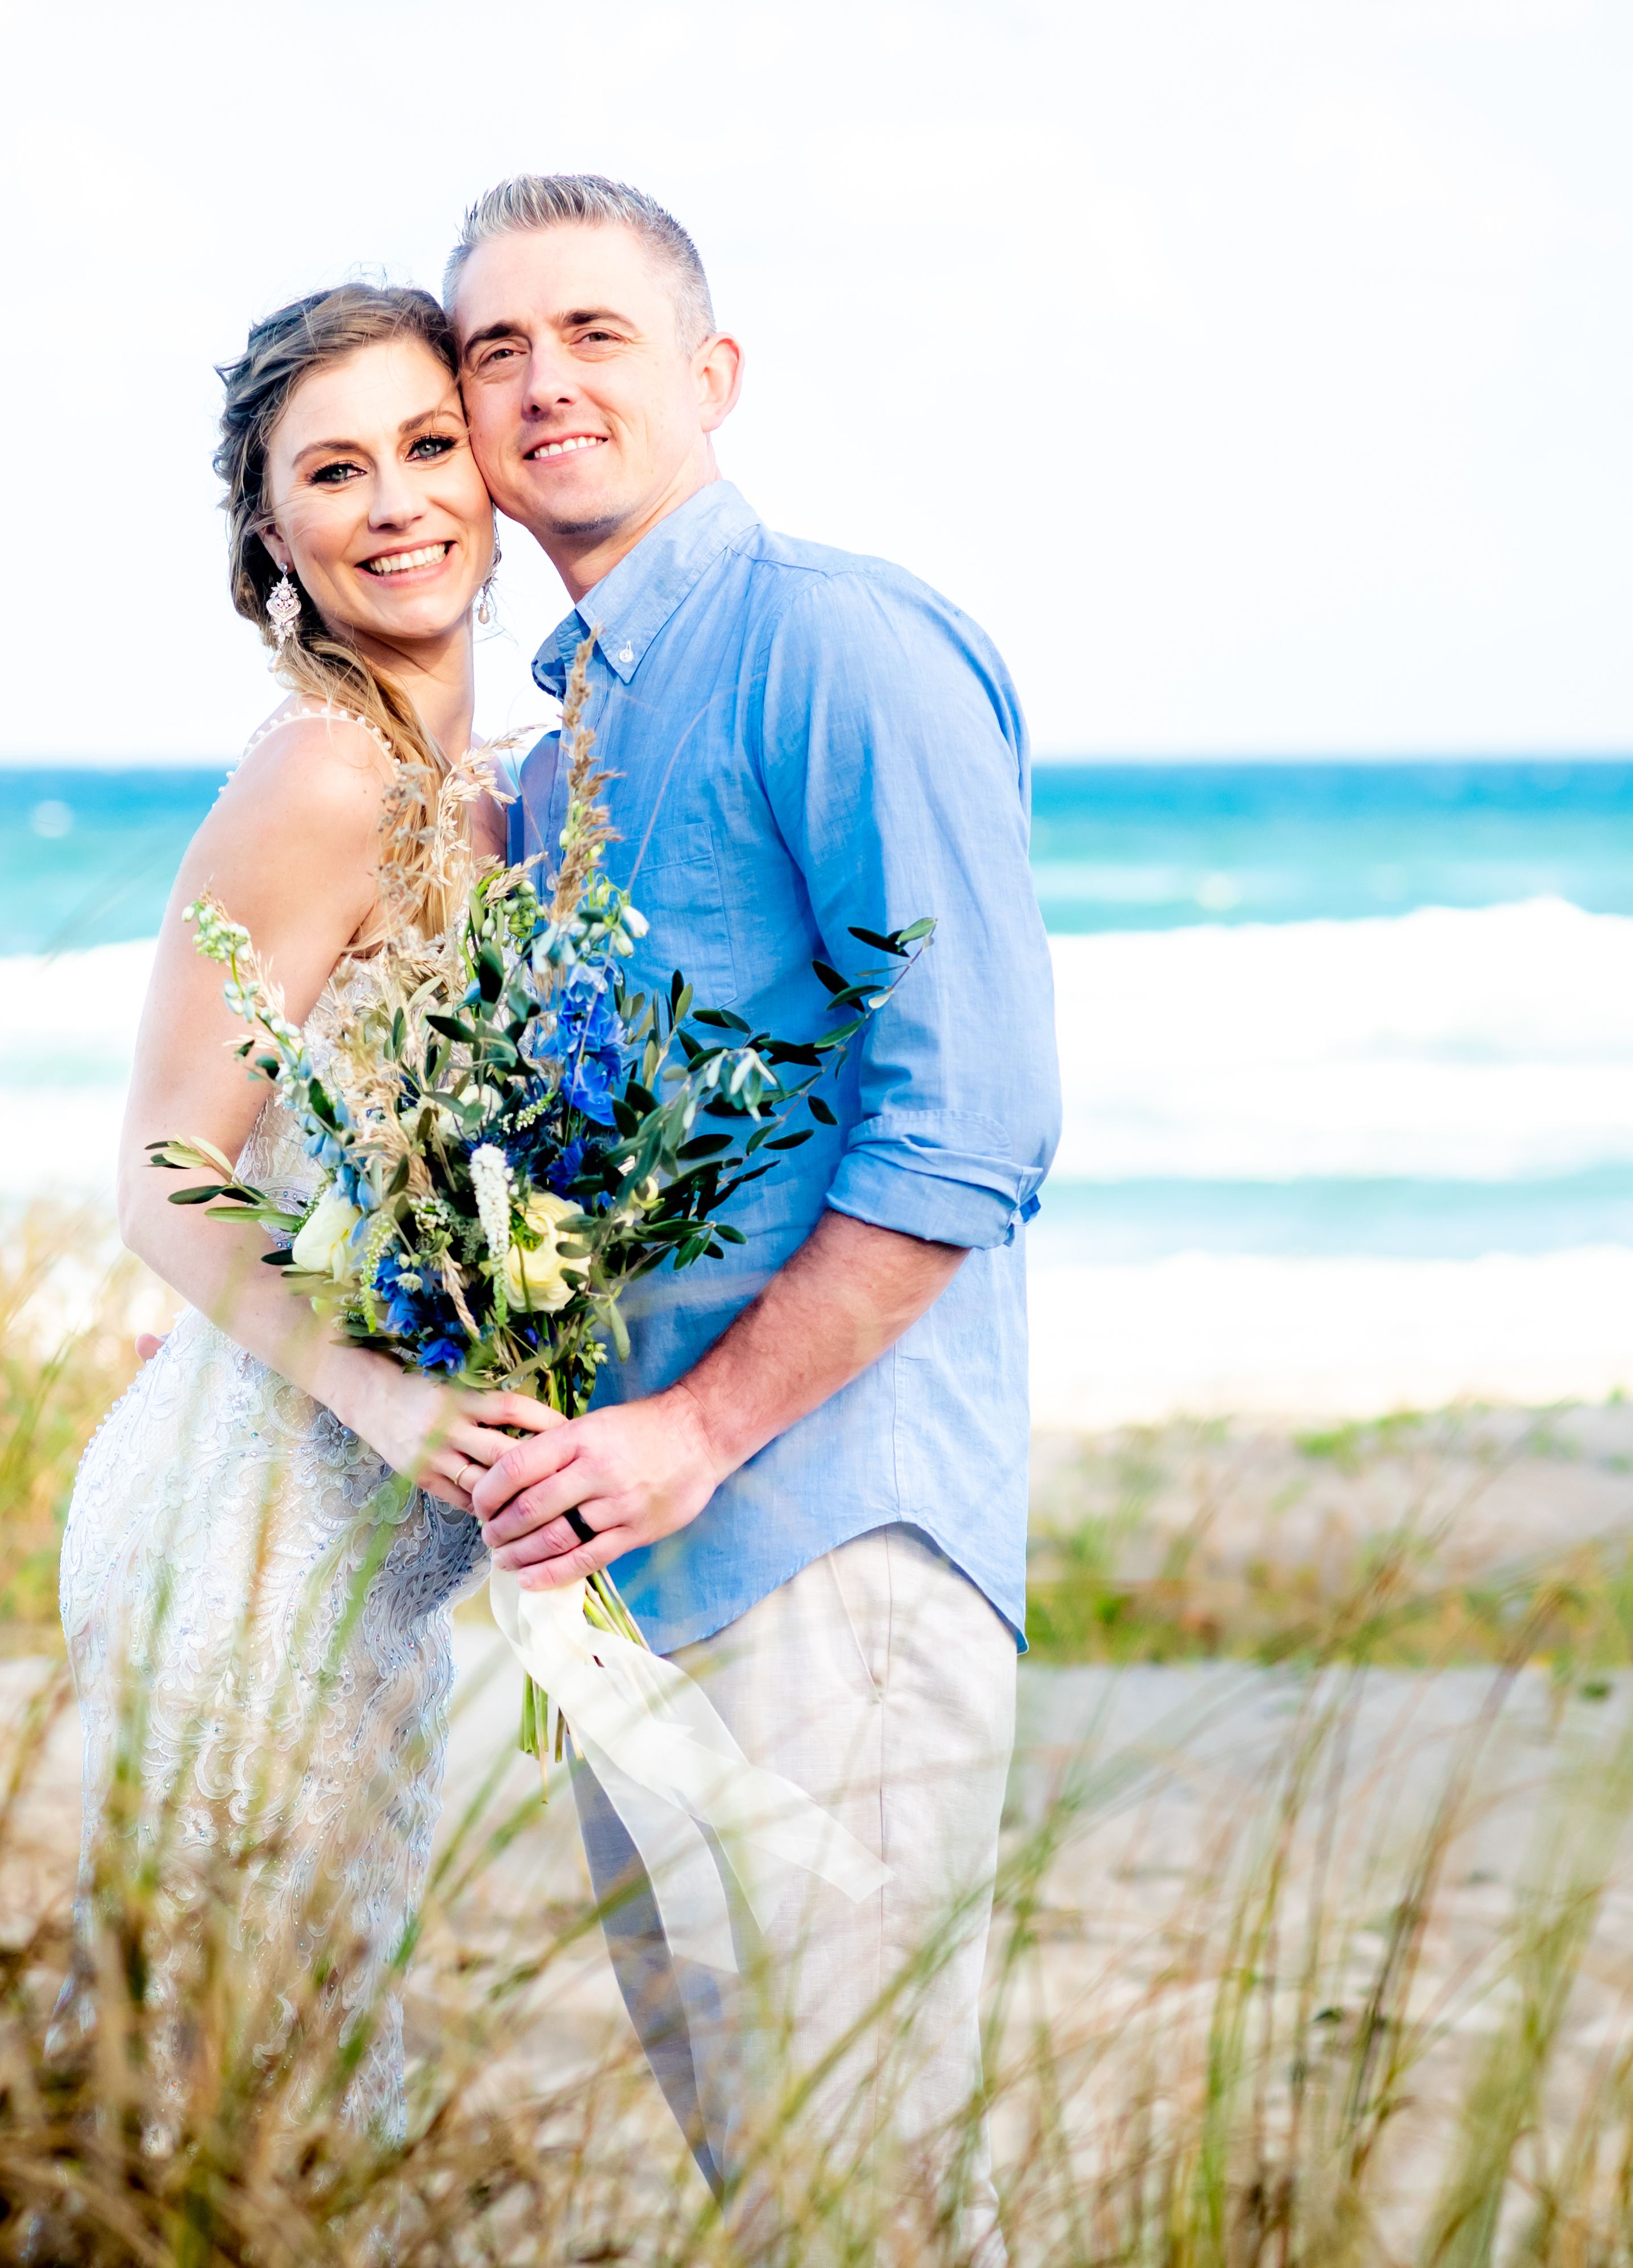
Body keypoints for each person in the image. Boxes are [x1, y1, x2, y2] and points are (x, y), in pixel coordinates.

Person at [453, 174, 1063, 2243]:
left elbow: (967, 1120)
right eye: (495, 347)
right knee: (772, 2188)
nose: (544, 381)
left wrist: (700, 1432)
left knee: (870, 2188)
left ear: (709, 377)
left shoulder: (832, 641)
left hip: (823, 1544)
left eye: (594, 334)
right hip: (634, 1586)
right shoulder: (552, 760)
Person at [51, 281, 561, 2138]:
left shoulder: (494, 791)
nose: (397, 500)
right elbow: (168, 1166)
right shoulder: (325, 770)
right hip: (252, 1523)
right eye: (332, 472)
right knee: (230, 2082)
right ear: (272, 534)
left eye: (428, 446)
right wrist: (390, 1398)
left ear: (495, 476)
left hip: (365, 1561)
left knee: (303, 2055)